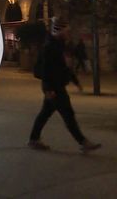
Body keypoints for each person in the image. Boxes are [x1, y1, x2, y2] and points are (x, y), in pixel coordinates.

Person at [28, 17, 101, 153]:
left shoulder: (60, 46)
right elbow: (46, 70)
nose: (69, 33)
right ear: (59, 31)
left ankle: (34, 139)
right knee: (68, 114)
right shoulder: (50, 47)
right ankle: (83, 142)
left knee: (45, 113)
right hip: (54, 88)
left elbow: (65, 68)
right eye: (66, 31)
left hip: (57, 86)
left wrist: (76, 82)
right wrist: (48, 89)